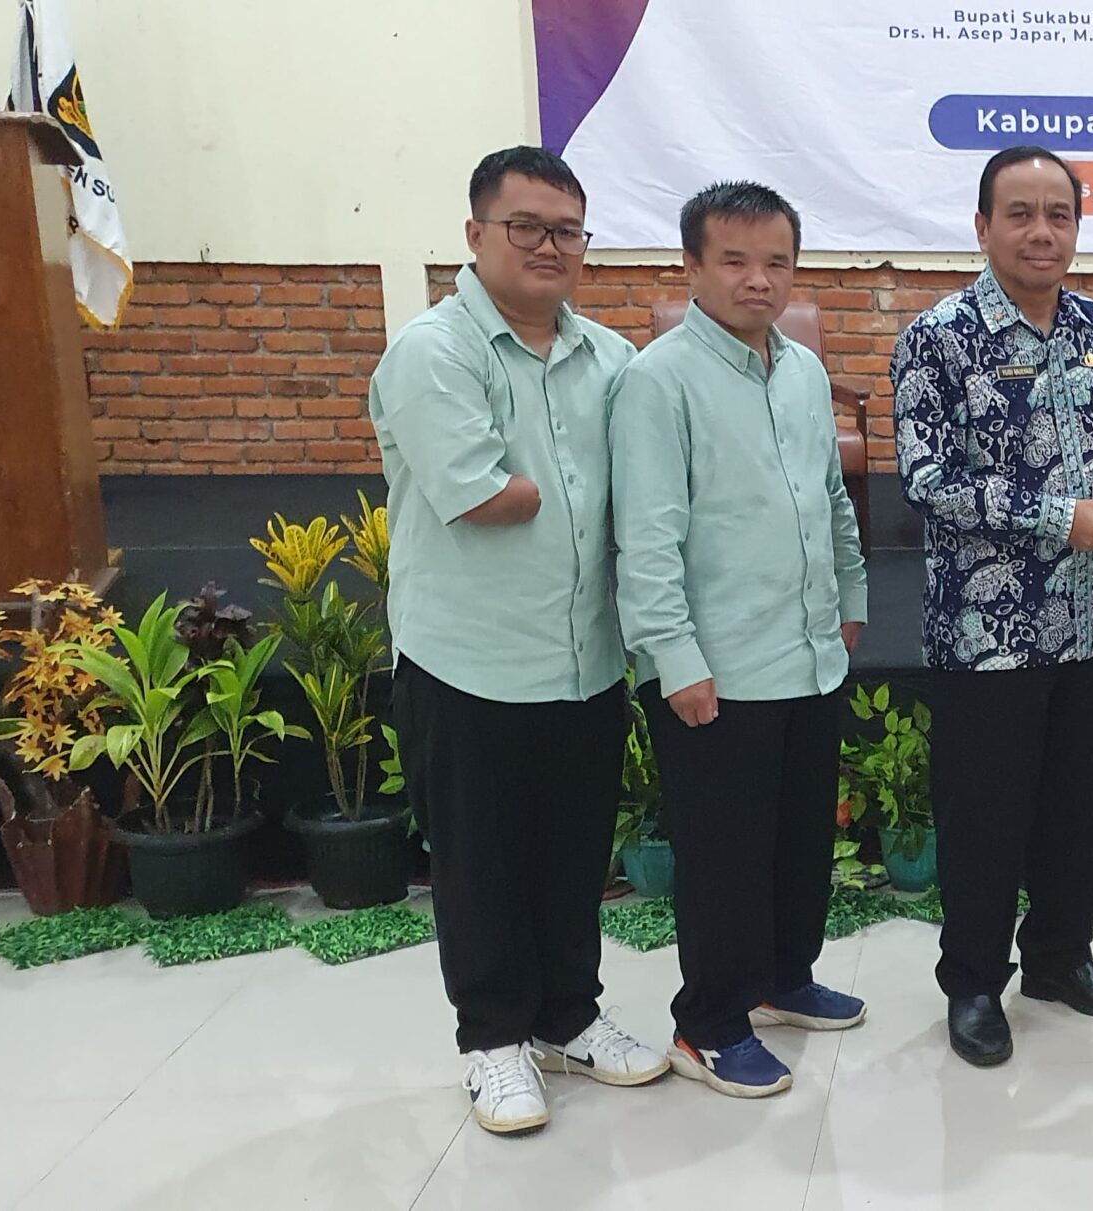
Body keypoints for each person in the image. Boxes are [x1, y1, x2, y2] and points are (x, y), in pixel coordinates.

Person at [369, 146, 668, 1137]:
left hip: (583, 657)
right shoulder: (433, 350)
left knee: (573, 853)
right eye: (526, 226)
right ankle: (492, 1038)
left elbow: (650, 492)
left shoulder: (611, 358)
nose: (549, 246)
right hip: (470, 660)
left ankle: (567, 1016)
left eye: (567, 230)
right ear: (475, 234)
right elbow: (487, 496)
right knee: (481, 862)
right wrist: (550, 488)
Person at [890, 144, 1093, 1068]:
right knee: (985, 818)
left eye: (1059, 214)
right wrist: (1056, 517)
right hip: (985, 636)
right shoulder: (939, 337)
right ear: (982, 226)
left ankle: (1059, 959)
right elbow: (926, 479)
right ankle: (973, 982)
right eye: (1021, 213)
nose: (1043, 231)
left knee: (1083, 808)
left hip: (1091, 624)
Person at [611, 181, 870, 1099]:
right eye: (735, 261)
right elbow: (646, 537)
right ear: (692, 266)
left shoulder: (802, 372)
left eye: (776, 262)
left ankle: (781, 978)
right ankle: (710, 1023)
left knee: (798, 842)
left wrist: (850, 594)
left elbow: (830, 497)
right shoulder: (659, 380)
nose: (759, 280)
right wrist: (674, 659)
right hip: (714, 670)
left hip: (808, 652)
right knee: (724, 859)